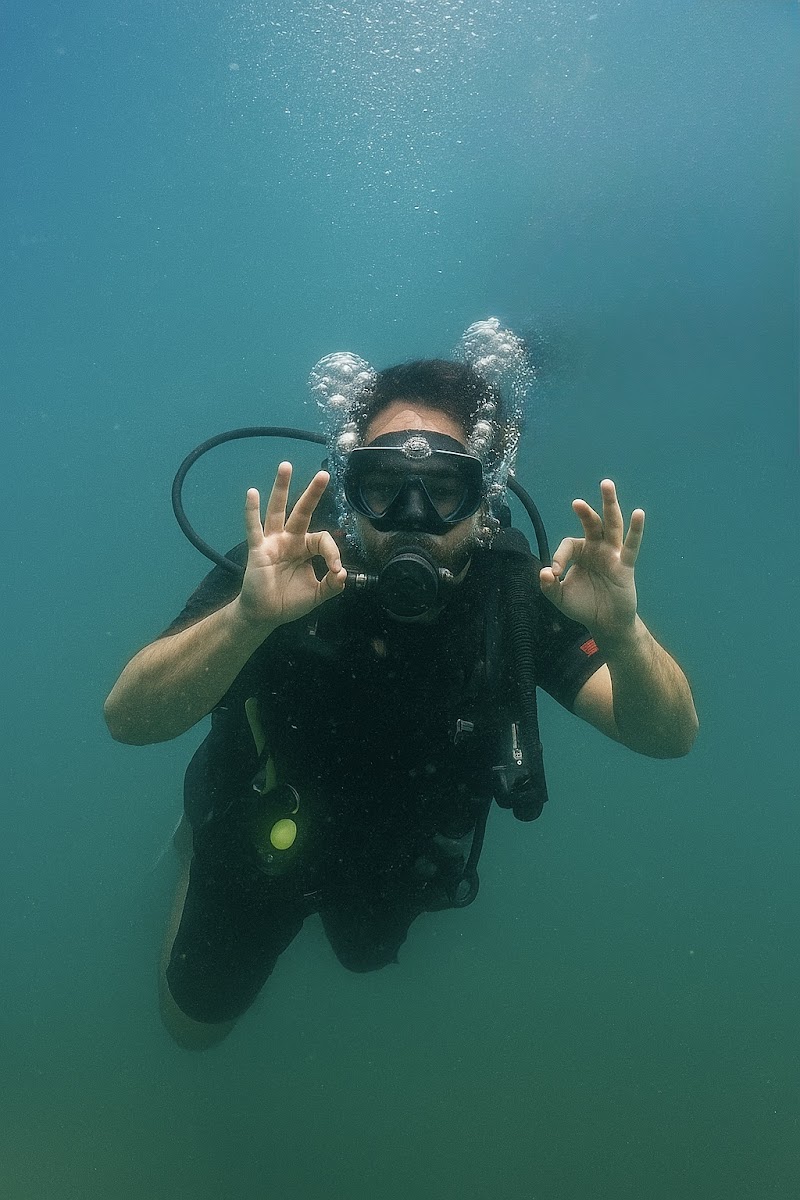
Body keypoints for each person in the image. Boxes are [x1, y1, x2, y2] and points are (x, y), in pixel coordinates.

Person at [104, 340, 698, 1050]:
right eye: (383, 484)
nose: (411, 516)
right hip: (256, 825)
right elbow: (128, 720)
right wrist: (248, 618)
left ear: (486, 495)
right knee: (191, 1031)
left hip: (395, 852)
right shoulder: (285, 570)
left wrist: (625, 633)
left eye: (444, 488)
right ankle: (187, 847)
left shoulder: (513, 594)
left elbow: (668, 736)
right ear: (349, 485)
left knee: (363, 959)